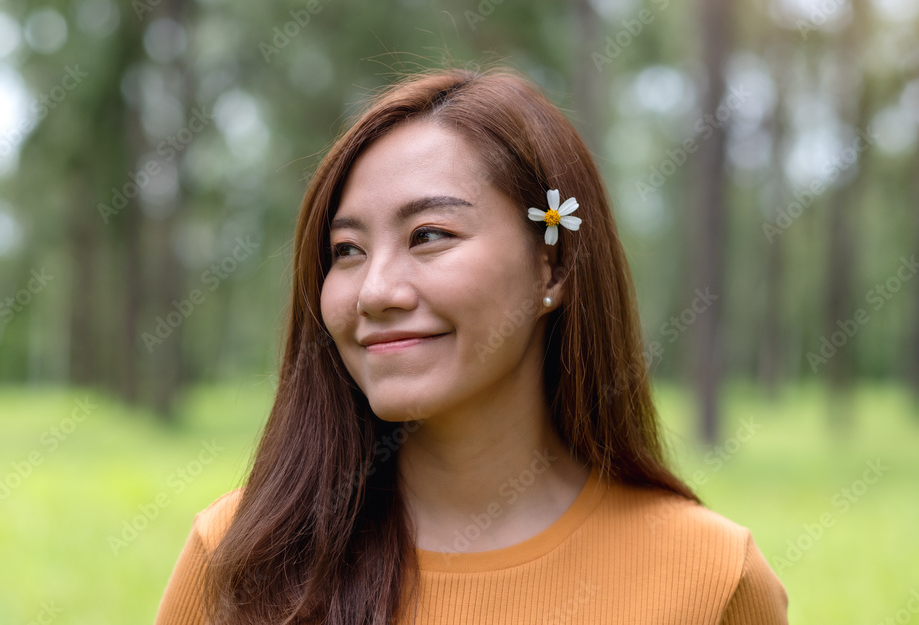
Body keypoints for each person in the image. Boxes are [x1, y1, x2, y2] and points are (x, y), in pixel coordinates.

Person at [154, 67, 789, 625]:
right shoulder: (240, 559)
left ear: (554, 267)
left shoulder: (710, 581)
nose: (374, 291)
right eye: (346, 251)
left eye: (428, 234)